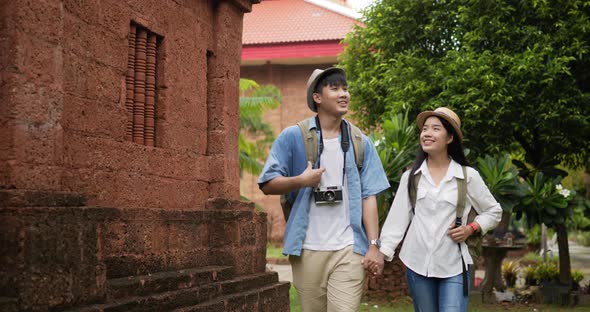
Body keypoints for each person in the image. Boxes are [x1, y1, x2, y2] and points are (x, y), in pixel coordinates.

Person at [258, 67, 389, 311]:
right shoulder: (293, 137)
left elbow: (369, 196)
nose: (344, 94)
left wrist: (373, 245)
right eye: (335, 88)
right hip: (307, 248)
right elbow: (266, 183)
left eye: (346, 89)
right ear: (317, 98)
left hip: (349, 248)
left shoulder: (361, 142)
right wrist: (301, 180)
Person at [369, 107, 502, 312]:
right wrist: (382, 253)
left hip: (454, 264)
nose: (427, 133)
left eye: (435, 129)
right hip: (416, 263)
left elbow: (494, 211)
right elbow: (397, 221)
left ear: (449, 138)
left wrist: (471, 228)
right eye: (425, 129)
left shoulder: (467, 176)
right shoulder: (411, 177)